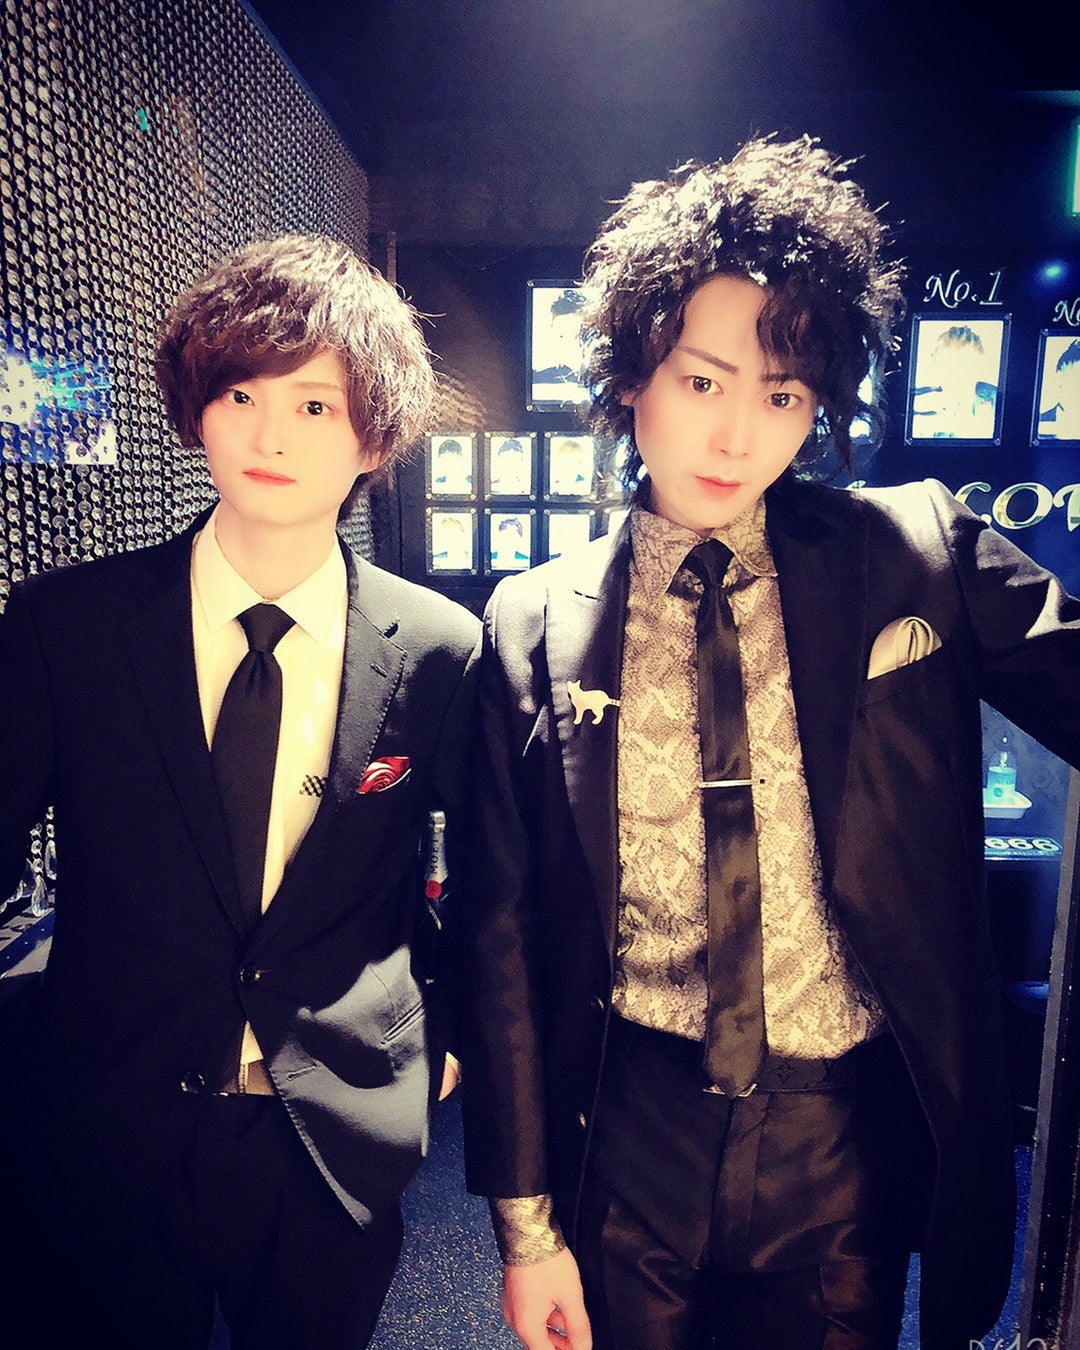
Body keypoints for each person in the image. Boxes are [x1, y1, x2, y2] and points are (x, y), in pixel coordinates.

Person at [460, 137, 1080, 1350]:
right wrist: (526, 1231)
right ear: (632, 374)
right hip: (627, 1129)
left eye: (784, 396)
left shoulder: (915, 552)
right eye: (703, 382)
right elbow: (502, 941)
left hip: (842, 1140)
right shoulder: (532, 622)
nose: (738, 435)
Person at [0, 234, 479, 1350]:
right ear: (196, 410)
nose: (271, 436)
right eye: (241, 394)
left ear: (373, 435)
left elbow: (494, 881)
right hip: (111, 1120)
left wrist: (447, 1035)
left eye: (316, 406)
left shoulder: (440, 647)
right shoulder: (68, 625)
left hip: (334, 1133)